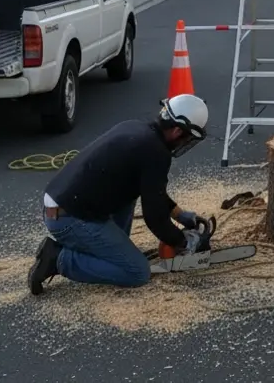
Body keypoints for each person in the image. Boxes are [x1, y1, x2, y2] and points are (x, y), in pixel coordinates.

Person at [27, 94, 210, 294]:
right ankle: (58, 259)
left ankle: (109, 252)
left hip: (63, 204)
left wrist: (179, 214)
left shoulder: (136, 129)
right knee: (137, 272)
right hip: (69, 219)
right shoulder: (156, 153)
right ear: (177, 131)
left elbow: (152, 191)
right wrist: (182, 241)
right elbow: (155, 218)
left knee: (130, 193)